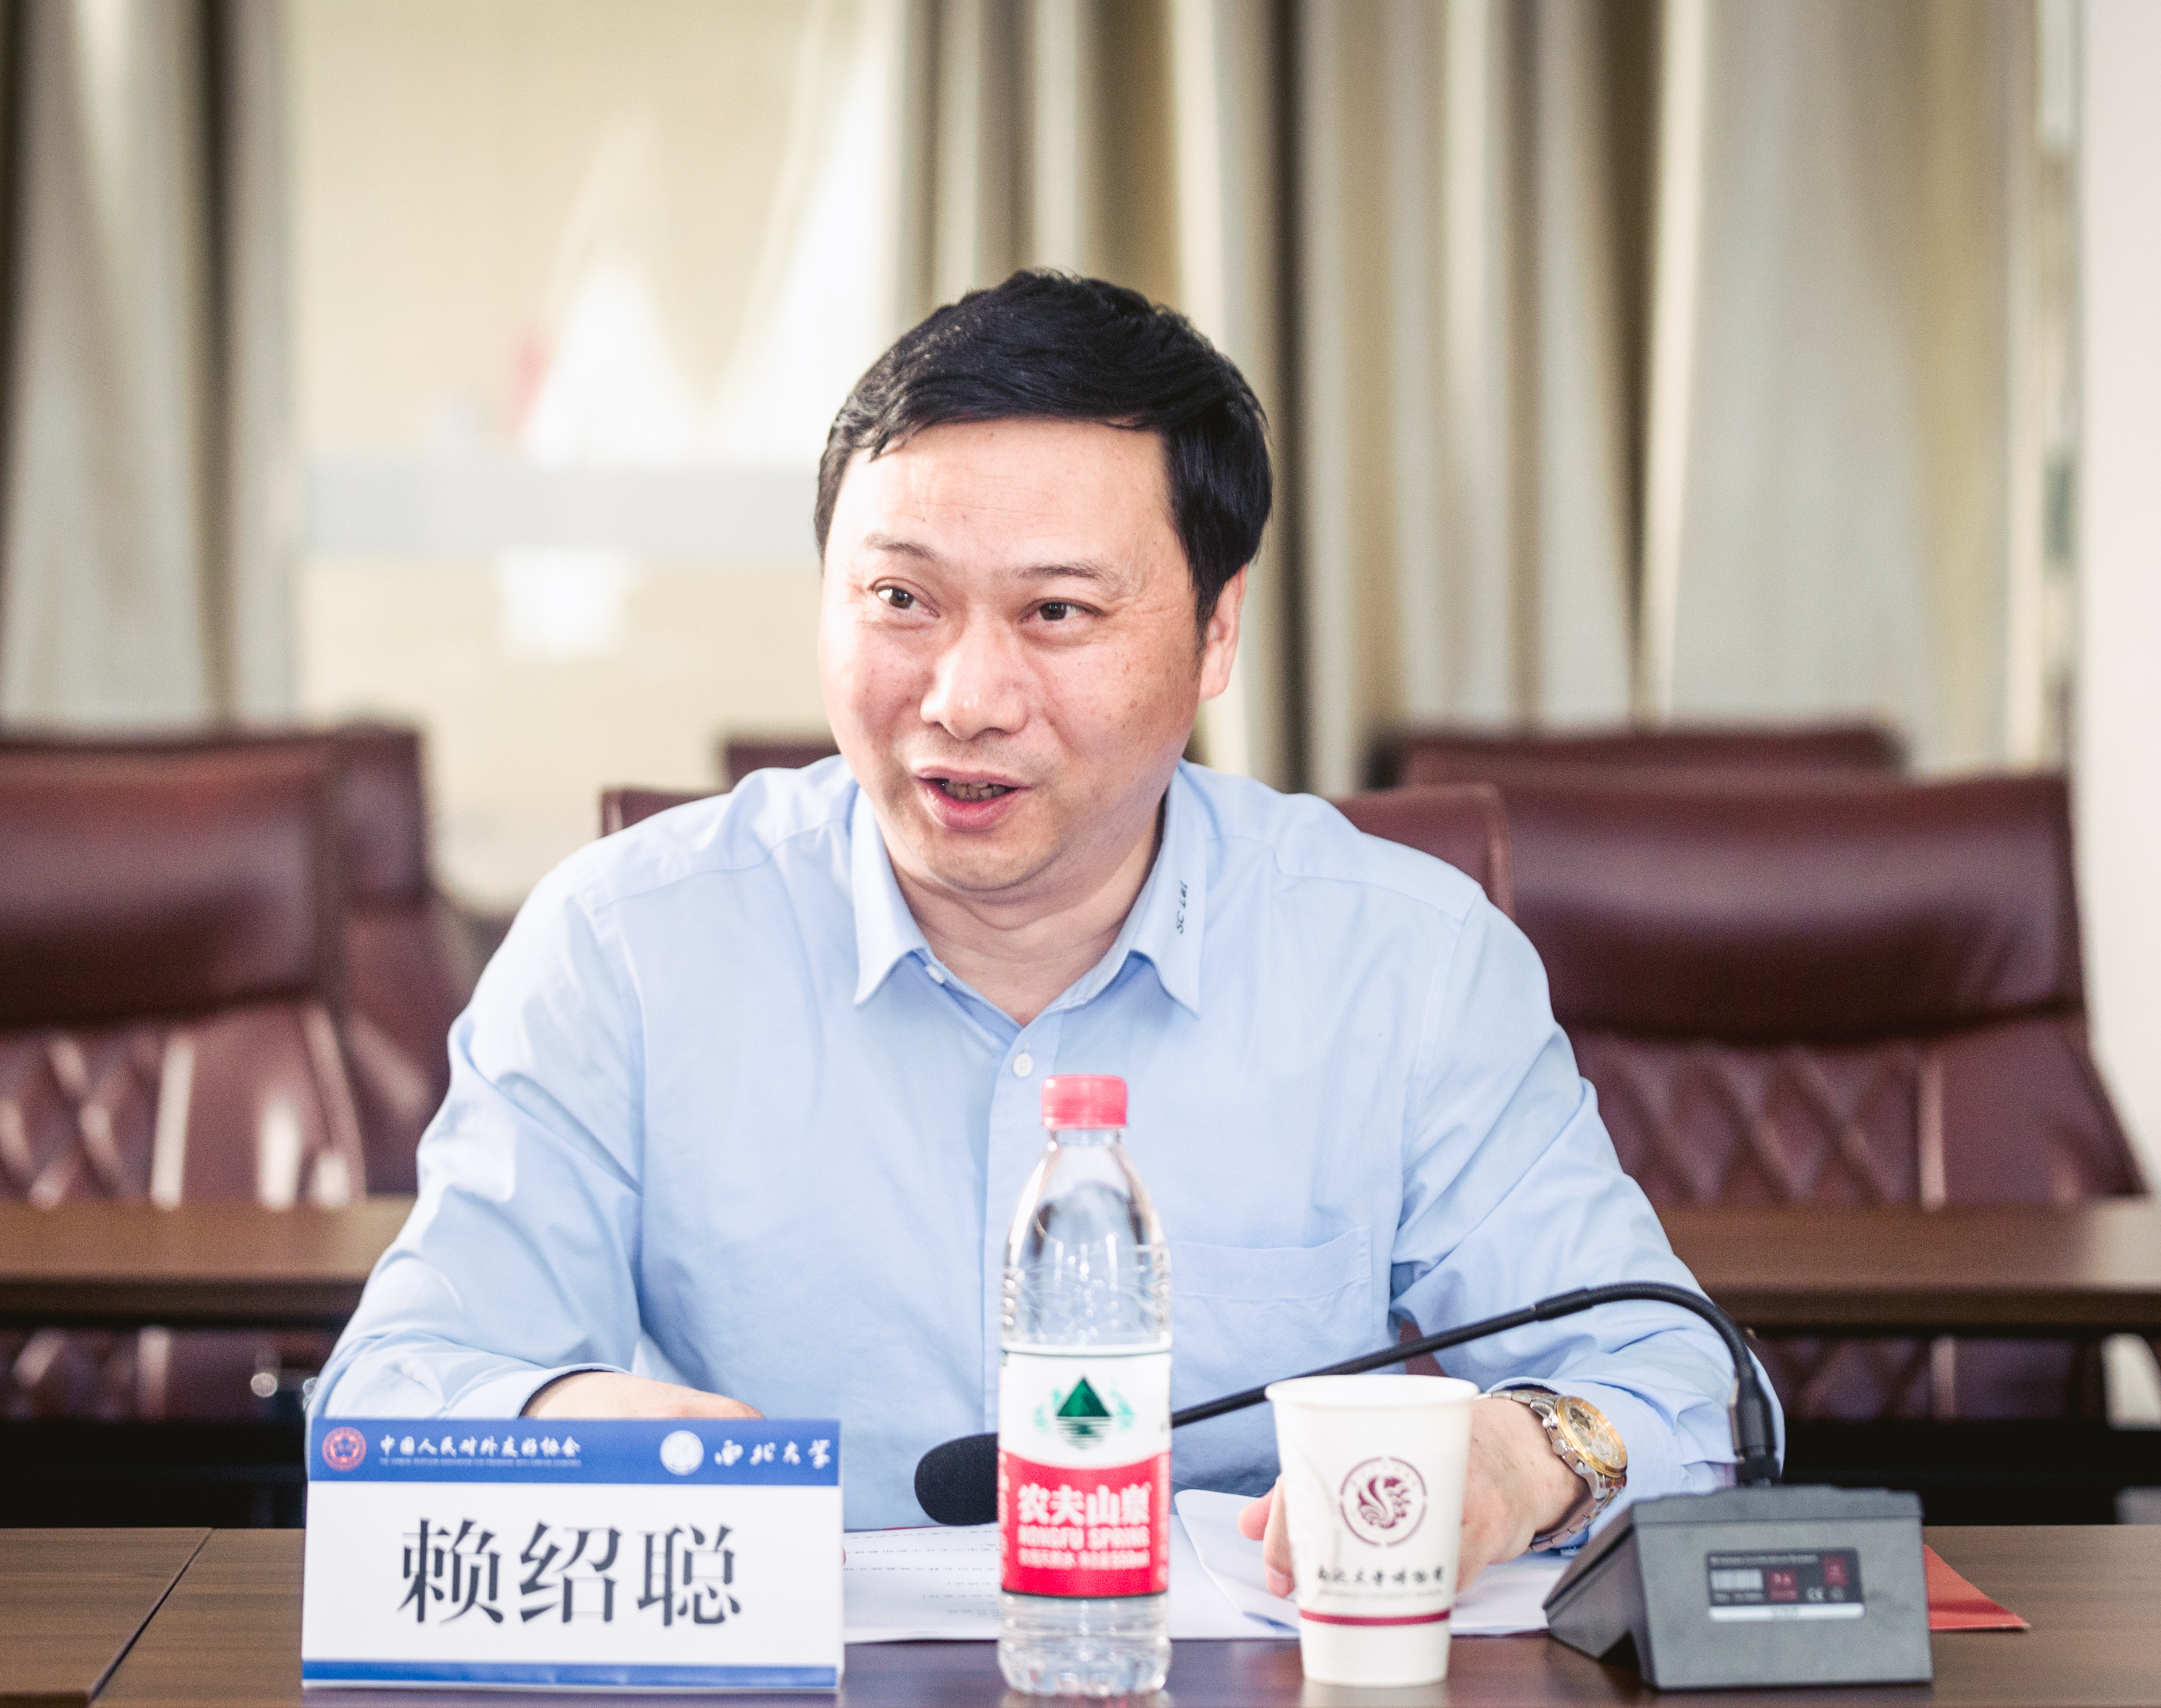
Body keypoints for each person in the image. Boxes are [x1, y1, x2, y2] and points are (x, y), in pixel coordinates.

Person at [322, 271, 1774, 1589]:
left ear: (1215, 632)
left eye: (1058, 612)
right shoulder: (626, 945)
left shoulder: (1403, 961)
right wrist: (565, 1414)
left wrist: (1526, 1456)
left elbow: (1678, 1380)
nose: (964, 697)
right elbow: (389, 1391)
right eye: (900, 598)